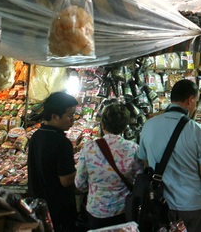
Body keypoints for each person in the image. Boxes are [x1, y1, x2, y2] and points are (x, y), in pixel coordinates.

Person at [138, 79, 201, 232]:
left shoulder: (148, 126)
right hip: (193, 206)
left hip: (161, 203)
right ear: (190, 100)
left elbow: (145, 164)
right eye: (197, 102)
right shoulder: (199, 131)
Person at [75, 103, 143, 229]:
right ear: (124, 127)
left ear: (103, 125)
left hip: (96, 211)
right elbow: (138, 180)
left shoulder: (89, 147)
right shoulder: (133, 148)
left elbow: (80, 184)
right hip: (123, 210)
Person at [27, 91, 79, 232]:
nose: (73, 120)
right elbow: (66, 180)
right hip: (58, 210)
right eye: (70, 115)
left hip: (38, 207)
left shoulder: (36, 136)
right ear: (55, 117)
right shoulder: (62, 142)